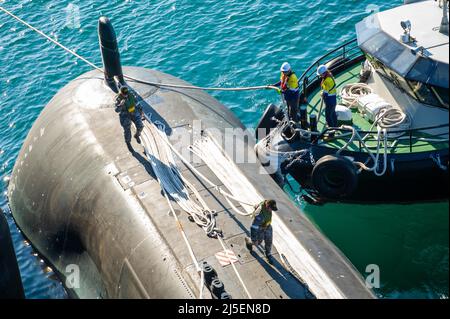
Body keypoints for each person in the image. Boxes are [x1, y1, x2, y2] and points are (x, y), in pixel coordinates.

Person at [245, 199, 278, 264]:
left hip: (267, 227)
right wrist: (254, 240)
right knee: (258, 242)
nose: (271, 211)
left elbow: (264, 201)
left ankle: (268, 254)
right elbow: (253, 227)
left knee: (269, 241)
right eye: (271, 209)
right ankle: (249, 241)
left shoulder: (267, 203)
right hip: (260, 229)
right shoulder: (259, 214)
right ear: (267, 206)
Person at [317, 65, 338, 136]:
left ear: (323, 73)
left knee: (328, 117)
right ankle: (335, 127)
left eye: (320, 75)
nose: (320, 76)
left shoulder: (326, 81)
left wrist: (322, 94)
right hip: (333, 99)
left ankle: (331, 135)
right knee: (333, 114)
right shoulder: (330, 77)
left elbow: (325, 93)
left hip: (329, 101)